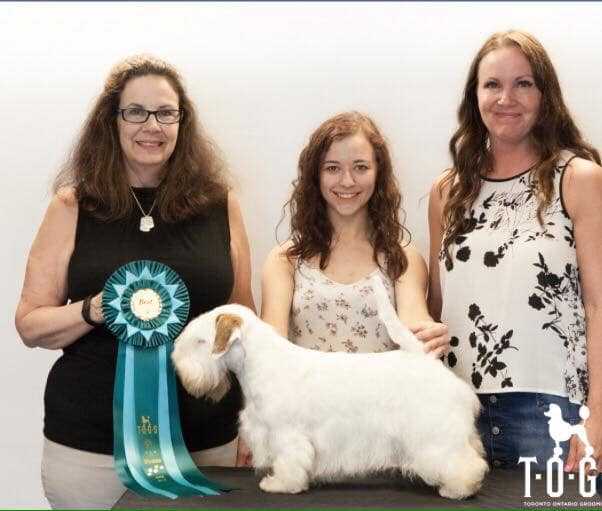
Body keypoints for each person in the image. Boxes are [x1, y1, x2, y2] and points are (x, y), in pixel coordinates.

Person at [14, 55, 254, 509]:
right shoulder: (71, 206)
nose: (152, 126)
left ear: (183, 121)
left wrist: (255, 420)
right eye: (136, 112)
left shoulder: (221, 204)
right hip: (90, 449)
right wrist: (94, 308)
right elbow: (30, 324)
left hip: (209, 443)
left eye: (166, 113)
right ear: (113, 120)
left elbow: (244, 322)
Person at [428, 31, 602, 471]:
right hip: (455, 409)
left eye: (523, 83)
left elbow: (598, 306)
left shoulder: (579, 179)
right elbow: (436, 307)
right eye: (493, 85)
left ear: (546, 95)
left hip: (550, 412)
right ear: (475, 96)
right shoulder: (448, 191)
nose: (507, 98)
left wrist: (598, 416)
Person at [262, 111, 449, 358]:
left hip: (385, 397)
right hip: (309, 397)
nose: (347, 181)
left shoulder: (402, 257)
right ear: (315, 176)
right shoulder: (285, 259)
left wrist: (429, 338)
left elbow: (415, 325)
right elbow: (271, 348)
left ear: (378, 172)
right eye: (332, 168)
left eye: (360, 167)